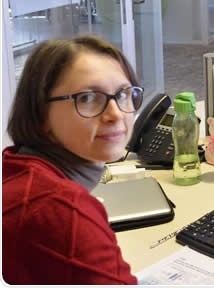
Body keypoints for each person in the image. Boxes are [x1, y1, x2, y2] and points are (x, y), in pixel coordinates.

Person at [3, 35, 142, 284]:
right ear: (41, 114)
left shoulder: (15, 168)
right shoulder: (59, 206)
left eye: (123, 94)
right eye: (88, 98)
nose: (116, 113)